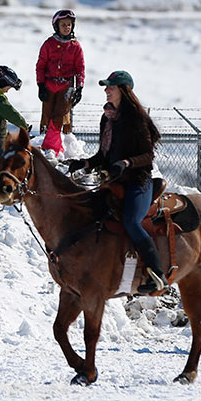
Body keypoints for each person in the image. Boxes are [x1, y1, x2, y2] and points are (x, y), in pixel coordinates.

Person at [67, 70, 165, 295]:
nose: (106, 90)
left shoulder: (137, 120)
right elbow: (103, 156)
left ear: (124, 91)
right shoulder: (107, 118)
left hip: (137, 182)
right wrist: (83, 164)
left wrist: (127, 163)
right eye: (106, 87)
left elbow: (148, 156)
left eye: (110, 87)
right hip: (113, 182)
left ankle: (157, 273)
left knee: (131, 221)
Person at [36, 9, 85, 157]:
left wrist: (79, 87)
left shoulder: (75, 46)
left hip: (66, 87)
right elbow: (40, 65)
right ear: (56, 26)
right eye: (63, 24)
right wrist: (40, 85)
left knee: (59, 117)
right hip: (49, 85)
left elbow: (80, 68)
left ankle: (51, 148)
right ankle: (56, 149)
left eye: (69, 24)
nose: (66, 27)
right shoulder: (48, 44)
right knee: (48, 116)